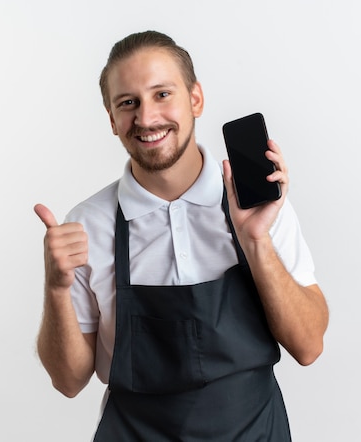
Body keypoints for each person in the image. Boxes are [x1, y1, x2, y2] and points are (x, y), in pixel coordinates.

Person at [34, 30, 329, 441]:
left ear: (195, 99)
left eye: (162, 94)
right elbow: (68, 381)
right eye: (127, 103)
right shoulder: (88, 224)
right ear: (112, 119)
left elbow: (309, 346)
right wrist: (55, 287)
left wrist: (257, 242)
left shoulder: (256, 202)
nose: (146, 118)